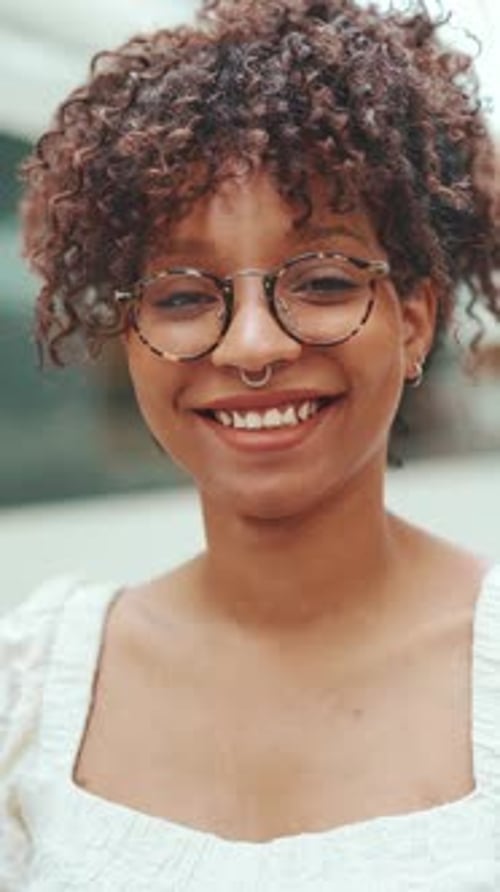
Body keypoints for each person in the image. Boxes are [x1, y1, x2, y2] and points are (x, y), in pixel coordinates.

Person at [2, 0, 500, 888]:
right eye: (184, 296)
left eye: (321, 280)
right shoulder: (30, 694)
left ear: (415, 318)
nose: (254, 347)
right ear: (131, 339)